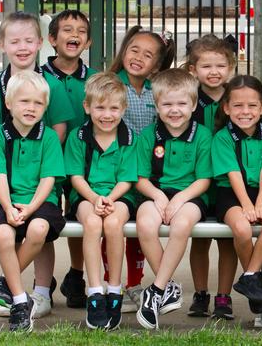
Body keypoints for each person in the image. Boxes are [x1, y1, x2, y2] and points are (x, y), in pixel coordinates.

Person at [0, 11, 74, 319]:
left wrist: (40, 165)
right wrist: (7, 189)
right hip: (7, 180)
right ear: (2, 44)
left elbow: (59, 130)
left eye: (29, 40)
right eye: (14, 41)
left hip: (42, 177)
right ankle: (15, 289)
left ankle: (40, 292)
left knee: (40, 231)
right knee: (8, 229)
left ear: (41, 43)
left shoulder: (52, 85)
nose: (22, 47)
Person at [0, 70, 66, 331]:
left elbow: (48, 179)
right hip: (5, 199)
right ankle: (20, 300)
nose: (31, 108)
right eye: (24, 101)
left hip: (41, 201)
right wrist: (8, 207)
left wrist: (31, 208)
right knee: (3, 235)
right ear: (9, 103)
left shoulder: (49, 137)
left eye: (38, 103)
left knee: (38, 229)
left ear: (45, 107)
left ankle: (6, 282)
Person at [134, 68, 213, 329]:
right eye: (167, 104)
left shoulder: (202, 135)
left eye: (182, 103)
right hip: (156, 192)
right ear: (156, 106)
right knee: (145, 224)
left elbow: (204, 179)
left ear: (193, 105)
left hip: (191, 195)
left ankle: (156, 290)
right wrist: (157, 196)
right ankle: (168, 287)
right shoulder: (149, 135)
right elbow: (140, 178)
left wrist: (180, 199)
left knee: (181, 224)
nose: (174, 110)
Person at [106, 25, 176, 312]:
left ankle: (135, 285)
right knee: (112, 227)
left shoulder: (157, 92)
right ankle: (112, 282)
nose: (137, 57)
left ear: (157, 64)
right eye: (133, 50)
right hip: (115, 170)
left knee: (139, 231)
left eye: (147, 55)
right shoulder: (110, 85)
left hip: (147, 172)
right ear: (124, 50)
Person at [63, 72, 138, 330]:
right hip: (86, 194)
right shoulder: (78, 137)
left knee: (114, 223)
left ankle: (114, 290)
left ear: (123, 108)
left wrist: (110, 199)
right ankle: (95, 292)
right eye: (100, 107)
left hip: (119, 195)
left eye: (114, 108)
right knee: (93, 224)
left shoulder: (129, 139)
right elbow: (75, 177)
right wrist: (95, 198)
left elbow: (127, 180)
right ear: (87, 107)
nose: (107, 115)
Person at [211, 75, 262, 314]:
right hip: (230, 194)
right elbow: (232, 173)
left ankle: (250, 276)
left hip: (261, 191)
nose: (245, 111)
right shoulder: (222, 138)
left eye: (252, 105)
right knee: (241, 228)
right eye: (238, 105)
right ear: (226, 107)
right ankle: (254, 280)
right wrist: (246, 204)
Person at [42, 9, 98, 310]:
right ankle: (43, 281)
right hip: (46, 164)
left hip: (83, 164)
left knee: (79, 216)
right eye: (66, 29)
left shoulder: (94, 80)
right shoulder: (37, 78)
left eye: (80, 31)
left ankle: (76, 275)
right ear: (52, 38)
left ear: (87, 42)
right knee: (47, 219)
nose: (73, 35)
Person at [183, 34, 239, 320]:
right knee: (201, 239)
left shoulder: (237, 99)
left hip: (231, 182)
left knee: (228, 240)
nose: (214, 72)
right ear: (193, 69)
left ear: (230, 66)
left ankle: (223, 296)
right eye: (206, 66)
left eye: (220, 65)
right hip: (199, 180)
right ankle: (201, 293)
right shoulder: (189, 101)